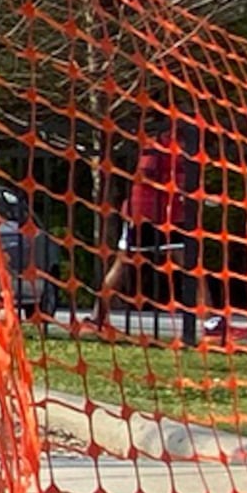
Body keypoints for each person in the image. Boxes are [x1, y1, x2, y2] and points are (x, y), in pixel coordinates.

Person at [93, 123, 195, 342]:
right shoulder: (158, 145)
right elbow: (146, 175)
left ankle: (210, 320)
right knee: (123, 264)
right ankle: (97, 318)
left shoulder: (182, 146)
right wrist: (176, 191)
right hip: (147, 214)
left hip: (169, 215)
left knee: (189, 263)